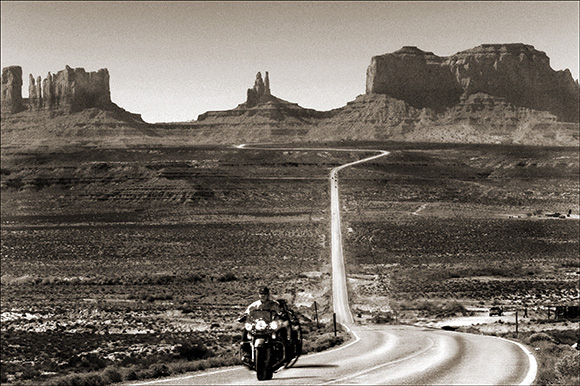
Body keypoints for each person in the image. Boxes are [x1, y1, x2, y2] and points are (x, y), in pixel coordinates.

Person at [238, 286, 284, 362]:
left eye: (264, 294)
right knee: (245, 330)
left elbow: (280, 312)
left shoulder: (274, 304)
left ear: (268, 295)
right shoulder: (254, 305)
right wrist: (243, 317)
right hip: (257, 325)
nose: (263, 296)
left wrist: (281, 315)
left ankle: (279, 352)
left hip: (269, 326)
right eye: (261, 294)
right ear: (259, 295)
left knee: (280, 332)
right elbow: (247, 312)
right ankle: (246, 353)